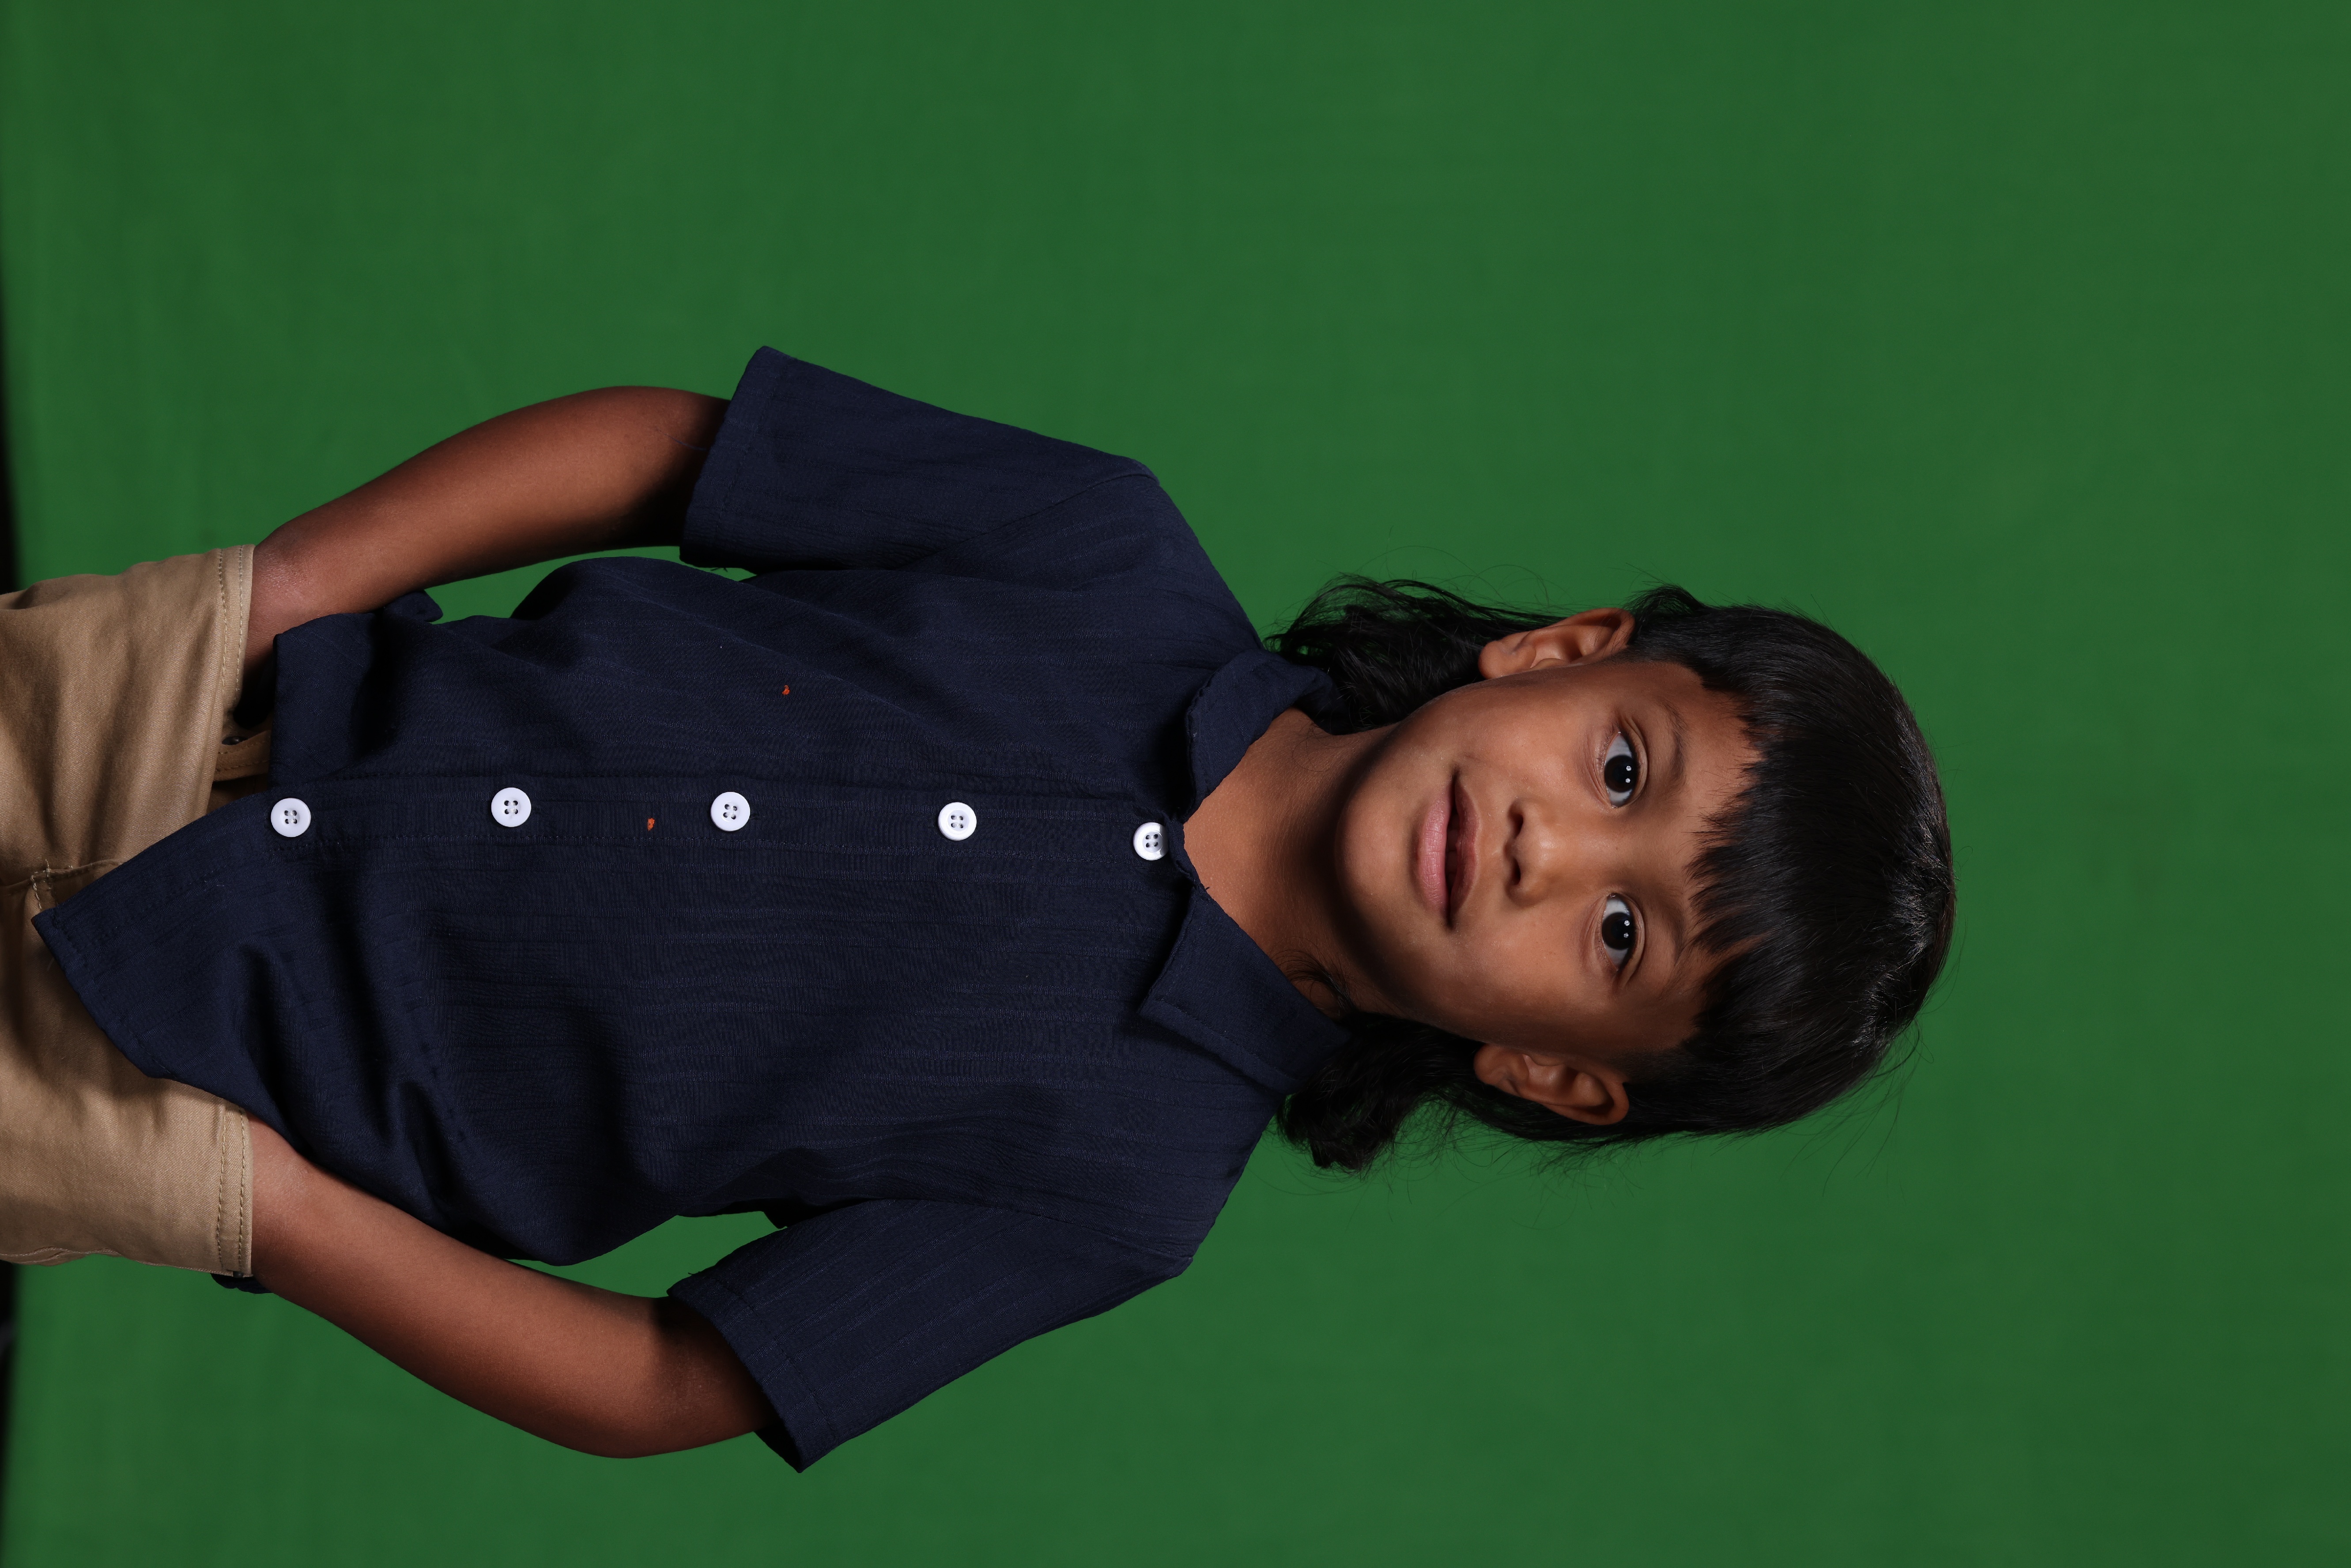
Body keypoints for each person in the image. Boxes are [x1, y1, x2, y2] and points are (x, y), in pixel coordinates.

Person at [2, 348, 1953, 1466]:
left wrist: (271, 1212)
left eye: (1620, 938)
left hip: (213, 1105)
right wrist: (285, 588)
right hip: (207, 697)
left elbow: (673, 1382)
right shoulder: (1102, 544)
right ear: (1567, 653)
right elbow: (682, 450)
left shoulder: (1122, 1188)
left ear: (1553, 1073)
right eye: (1620, 772)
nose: (1549, 853)